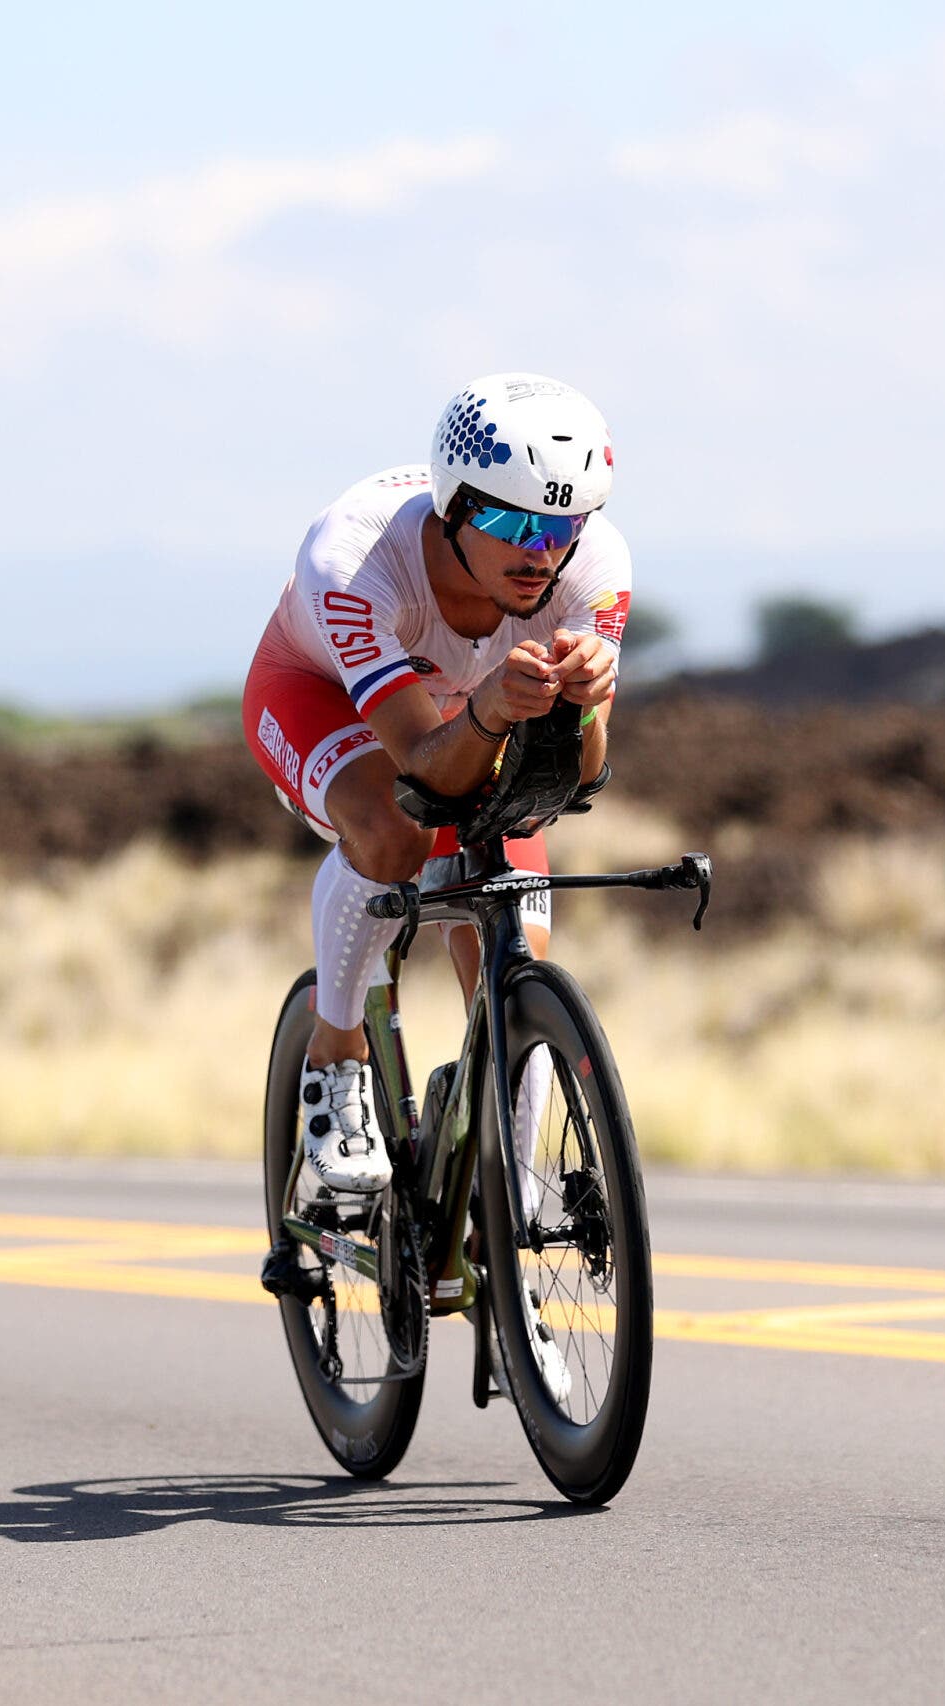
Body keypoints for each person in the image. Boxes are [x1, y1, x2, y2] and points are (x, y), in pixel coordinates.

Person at [243, 373, 630, 1200]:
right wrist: (490, 708)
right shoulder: (352, 559)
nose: (541, 551)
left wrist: (587, 703)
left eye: (563, 522)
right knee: (394, 834)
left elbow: (581, 778)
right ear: (455, 506)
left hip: (462, 708)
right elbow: (423, 763)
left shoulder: (593, 564)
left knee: (514, 909)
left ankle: (510, 1178)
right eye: (512, 521)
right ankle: (336, 1053)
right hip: (316, 693)